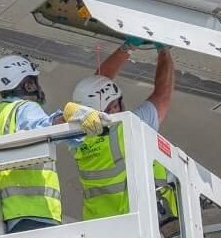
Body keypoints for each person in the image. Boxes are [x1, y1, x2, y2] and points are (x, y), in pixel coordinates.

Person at [70, 44, 178, 225]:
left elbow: (95, 87)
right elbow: (162, 95)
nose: (116, 109)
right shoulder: (127, 128)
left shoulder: (76, 136)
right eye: (113, 106)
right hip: (151, 222)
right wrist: (163, 51)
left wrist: (126, 49)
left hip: (104, 226)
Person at [0, 54, 66, 233]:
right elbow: (44, 128)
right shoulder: (27, 108)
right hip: (37, 211)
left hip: (10, 215)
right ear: (28, 84)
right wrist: (70, 117)